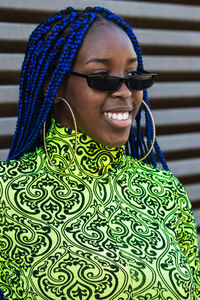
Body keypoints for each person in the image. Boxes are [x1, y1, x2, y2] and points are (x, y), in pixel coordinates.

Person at [0, 6, 199, 300]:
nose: (125, 92)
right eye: (102, 77)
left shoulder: (163, 189)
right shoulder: (7, 192)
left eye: (133, 75)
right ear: (52, 86)